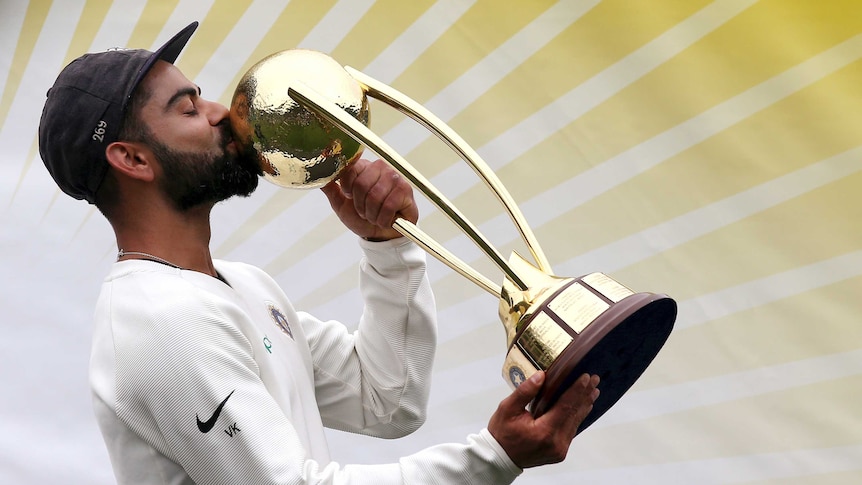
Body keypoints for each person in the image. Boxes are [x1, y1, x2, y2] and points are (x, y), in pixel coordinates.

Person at [38, 21, 600, 484]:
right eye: (187, 108)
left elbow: (389, 400)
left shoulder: (240, 286)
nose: (219, 112)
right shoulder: (162, 321)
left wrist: (386, 248)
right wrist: (493, 458)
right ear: (132, 160)